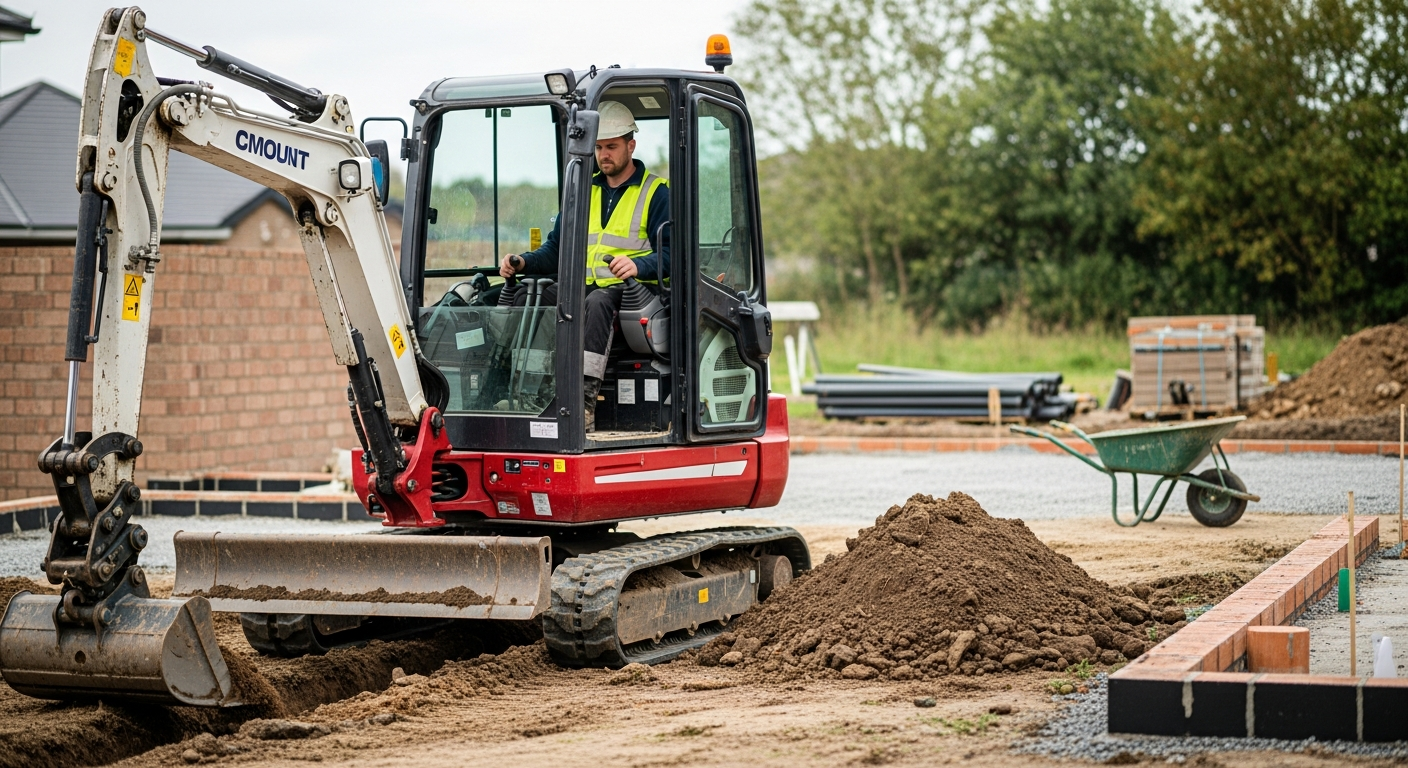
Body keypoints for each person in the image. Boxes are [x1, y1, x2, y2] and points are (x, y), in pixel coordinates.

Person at [499, 100, 670, 432]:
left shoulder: (656, 193)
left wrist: (637, 266)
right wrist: (523, 262)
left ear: (630, 145)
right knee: (529, 298)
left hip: (633, 294)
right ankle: (525, 392)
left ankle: (583, 403)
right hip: (584, 289)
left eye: (612, 147)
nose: (604, 154)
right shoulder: (581, 192)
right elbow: (556, 251)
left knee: (597, 302)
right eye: (599, 147)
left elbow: (670, 258)